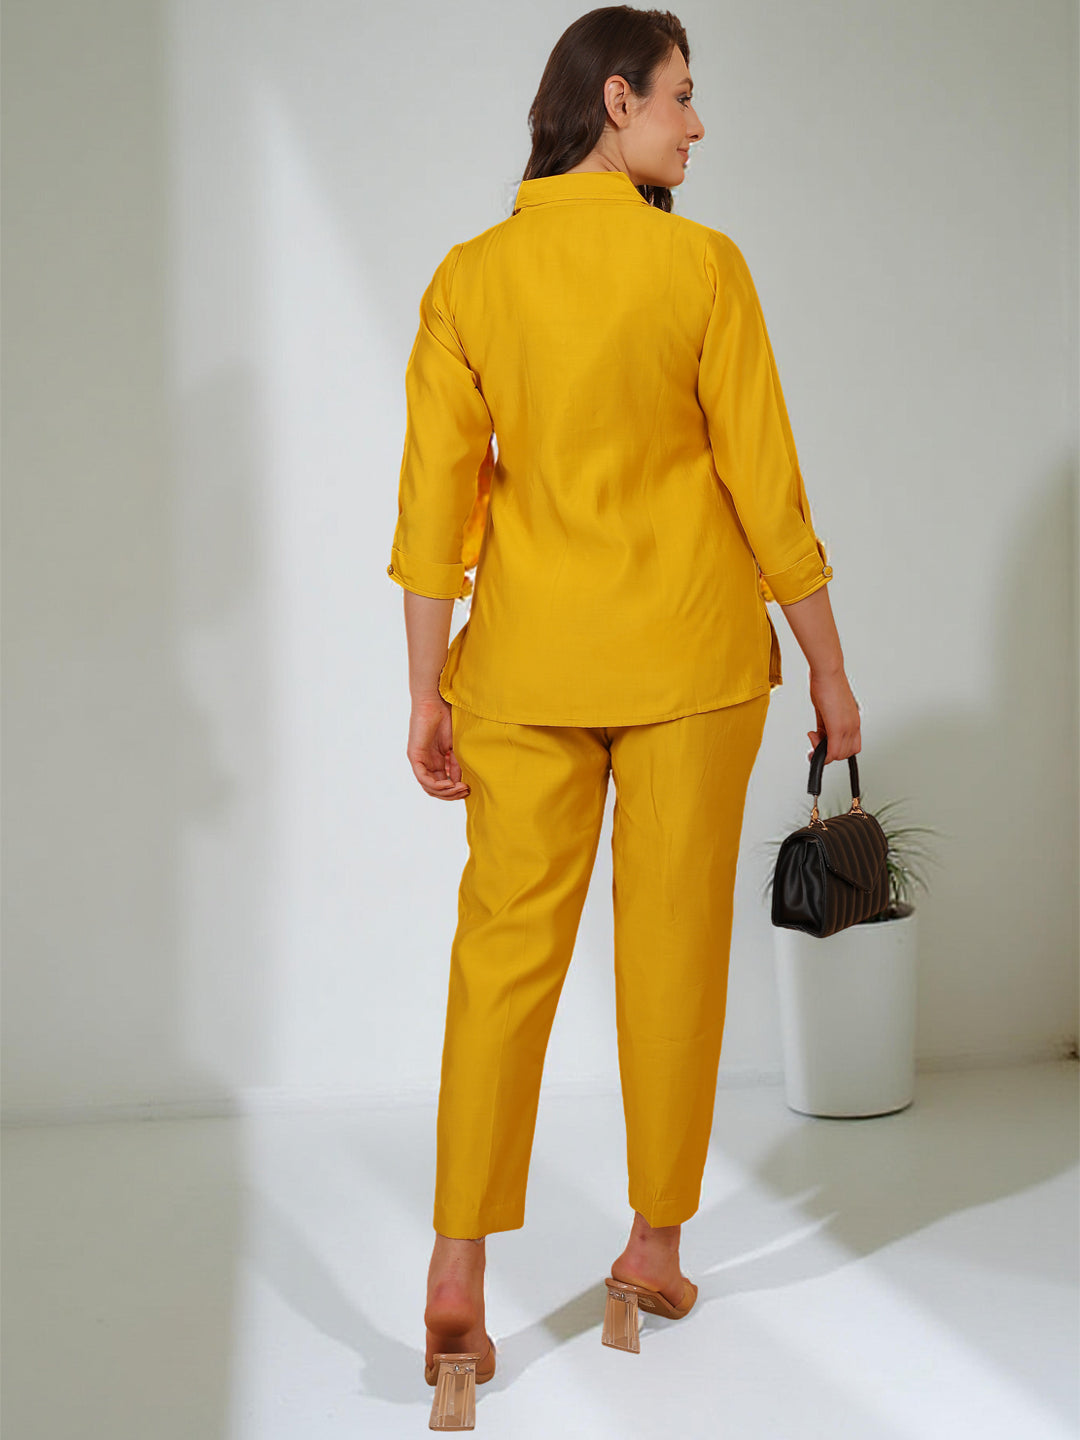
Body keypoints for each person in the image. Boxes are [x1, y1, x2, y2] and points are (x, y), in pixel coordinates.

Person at [387, 5, 861, 1414]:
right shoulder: (701, 267)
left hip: (524, 669)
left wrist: (424, 689)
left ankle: (457, 1269)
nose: (697, 125)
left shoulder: (470, 278)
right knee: (671, 948)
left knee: (500, 961)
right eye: (682, 96)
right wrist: (829, 666)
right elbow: (768, 490)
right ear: (615, 101)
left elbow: (432, 515)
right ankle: (651, 1251)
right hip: (690, 667)